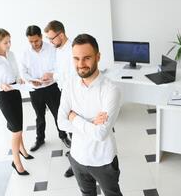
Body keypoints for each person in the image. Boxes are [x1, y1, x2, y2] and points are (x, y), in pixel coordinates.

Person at [58, 34, 123, 196]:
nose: (81, 64)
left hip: (103, 160)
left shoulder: (111, 90)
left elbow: (101, 134)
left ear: (98, 57)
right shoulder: (69, 84)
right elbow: (60, 123)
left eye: (86, 58)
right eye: (76, 59)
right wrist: (91, 122)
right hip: (77, 157)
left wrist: (73, 117)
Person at [0, 28, 33, 176]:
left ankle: (23, 150)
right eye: (5, 42)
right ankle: (16, 162)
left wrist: (19, 79)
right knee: (16, 130)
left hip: (15, 91)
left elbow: (15, 71)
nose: (9, 44)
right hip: (3, 96)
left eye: (9, 41)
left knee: (19, 125)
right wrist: (0, 85)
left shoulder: (10, 54)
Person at [21, 25, 71, 152]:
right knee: (39, 116)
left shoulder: (52, 49)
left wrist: (51, 77)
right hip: (35, 90)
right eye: (31, 41)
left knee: (58, 114)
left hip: (51, 87)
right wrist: (31, 80)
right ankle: (40, 139)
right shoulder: (25, 52)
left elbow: (58, 68)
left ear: (41, 37)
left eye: (36, 40)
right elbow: (23, 72)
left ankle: (63, 136)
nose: (34, 44)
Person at [44, 20, 75, 178]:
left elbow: (72, 75)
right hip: (63, 91)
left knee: (74, 128)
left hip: (73, 94)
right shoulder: (58, 49)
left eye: (52, 38)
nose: (50, 42)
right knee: (69, 127)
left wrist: (53, 76)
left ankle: (76, 165)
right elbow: (59, 70)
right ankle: (75, 156)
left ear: (61, 35)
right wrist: (51, 77)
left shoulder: (72, 50)